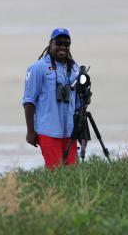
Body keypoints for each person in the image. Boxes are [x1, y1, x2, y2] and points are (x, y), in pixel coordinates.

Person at [22, 28, 80, 170]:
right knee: (57, 173)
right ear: (50, 44)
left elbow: (79, 102)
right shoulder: (37, 68)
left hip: (70, 132)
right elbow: (29, 101)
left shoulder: (74, 68)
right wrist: (30, 131)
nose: (62, 47)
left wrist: (81, 131)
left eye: (66, 44)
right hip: (48, 131)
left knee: (73, 173)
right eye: (58, 43)